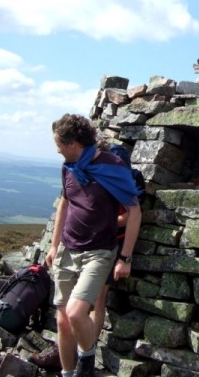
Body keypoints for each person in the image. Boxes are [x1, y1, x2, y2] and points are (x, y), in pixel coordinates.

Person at [45, 114, 142, 377]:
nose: (57, 151)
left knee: (77, 314)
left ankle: (86, 361)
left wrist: (126, 257)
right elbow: (65, 203)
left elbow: (135, 211)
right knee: (63, 322)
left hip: (99, 251)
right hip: (67, 248)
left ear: (74, 143)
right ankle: (68, 373)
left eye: (59, 145)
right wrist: (54, 246)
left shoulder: (112, 166)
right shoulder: (69, 166)